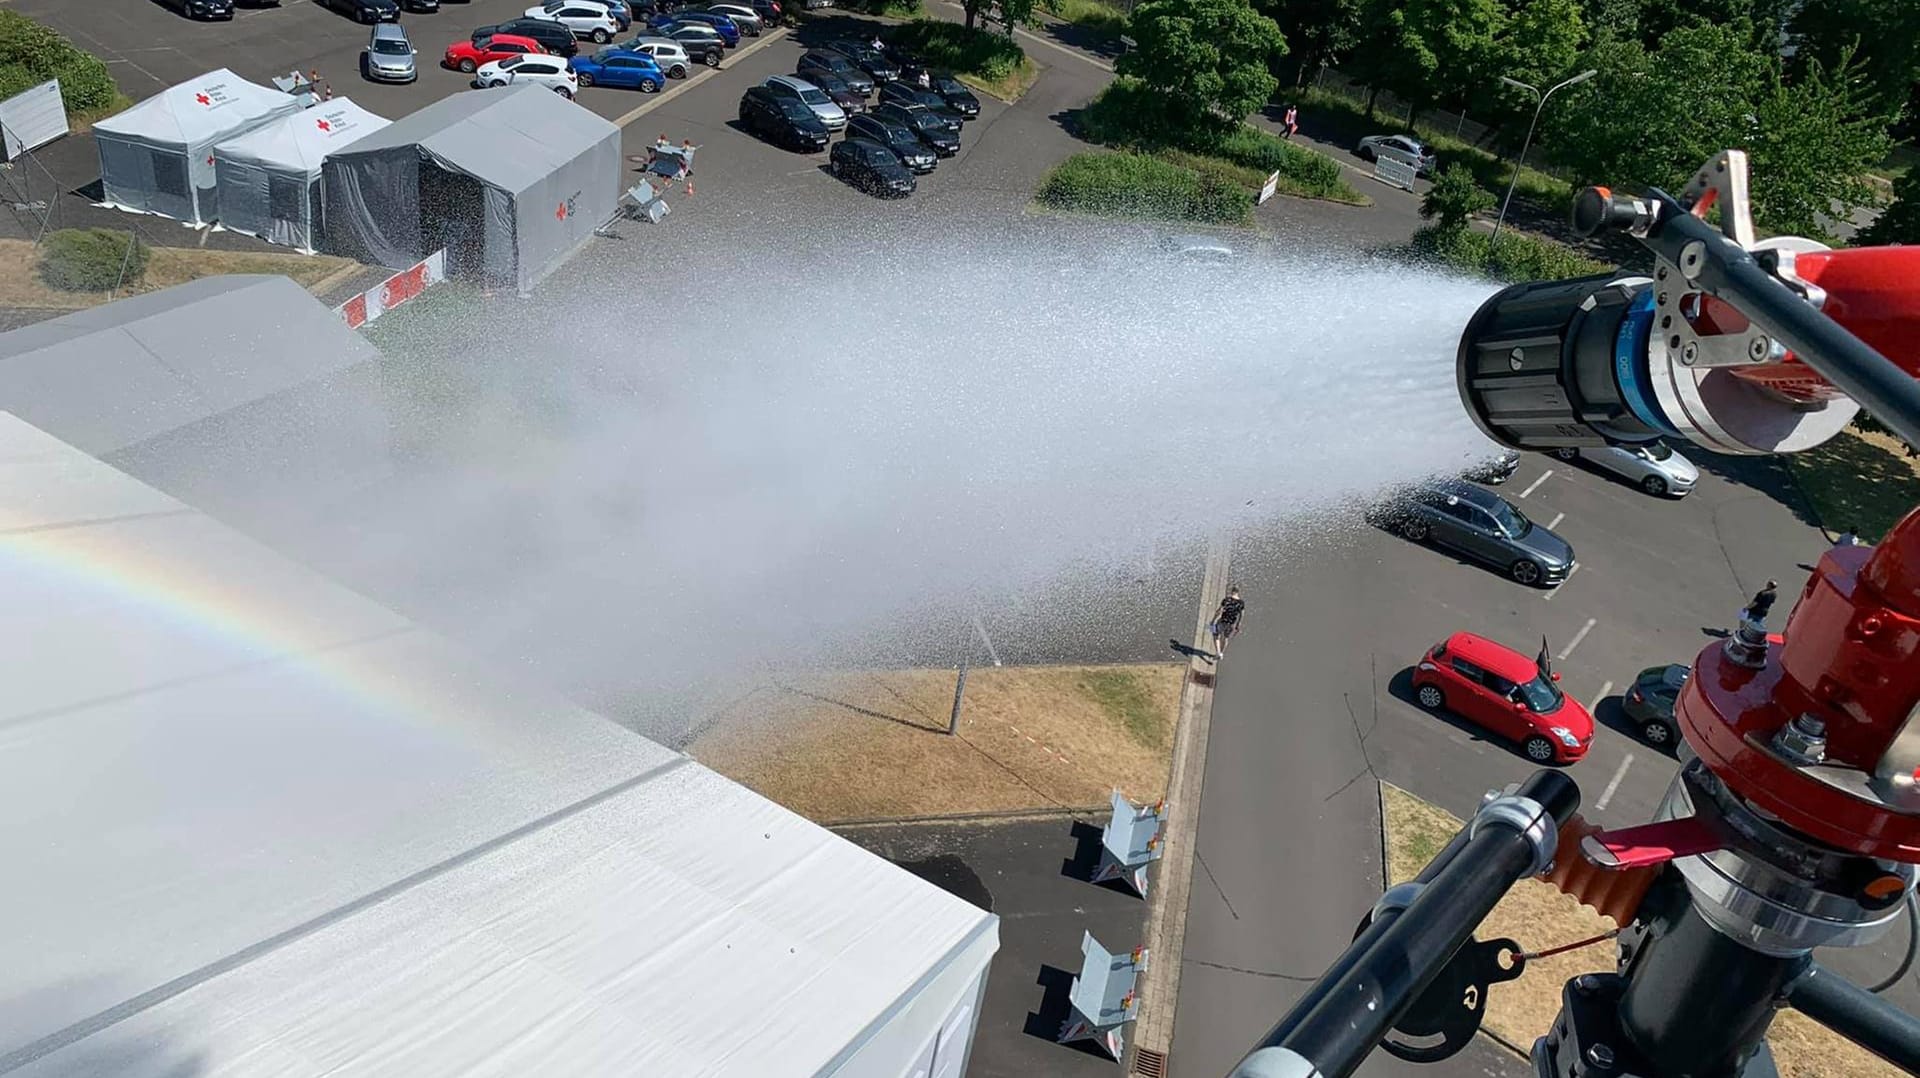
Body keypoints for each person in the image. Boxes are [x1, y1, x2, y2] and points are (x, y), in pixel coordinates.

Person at [1211, 586, 1246, 655]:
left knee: (1216, 634)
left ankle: (1218, 652)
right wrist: (1238, 625)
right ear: (1238, 592)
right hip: (1232, 624)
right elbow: (1242, 615)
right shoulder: (1241, 603)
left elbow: (1219, 611)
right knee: (1226, 638)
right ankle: (1221, 653)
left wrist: (1213, 620)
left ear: (1231, 591)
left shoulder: (1226, 600)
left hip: (1223, 621)